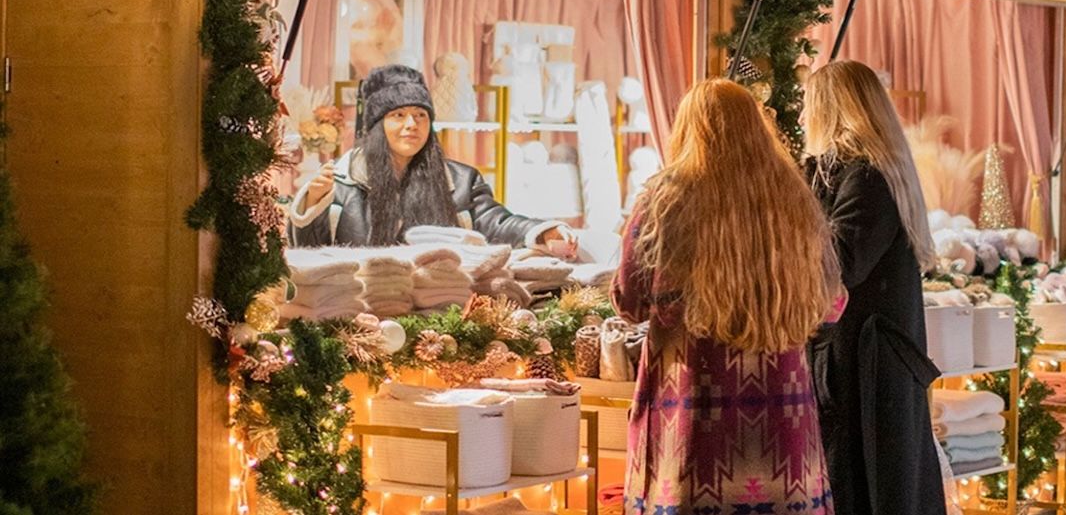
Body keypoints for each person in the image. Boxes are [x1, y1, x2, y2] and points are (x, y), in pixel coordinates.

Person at [613, 78, 844, 515]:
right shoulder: (793, 198)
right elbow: (832, 303)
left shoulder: (663, 199)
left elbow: (631, 301)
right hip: (782, 423)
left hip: (691, 415)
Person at [801, 60, 945, 515]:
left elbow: (841, 262)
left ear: (830, 110)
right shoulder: (877, 172)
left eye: (808, 106)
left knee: (867, 489)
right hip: (874, 361)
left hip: (865, 367)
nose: (802, 117)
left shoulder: (865, 176)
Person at [289, 64, 576, 250]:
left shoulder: (462, 181)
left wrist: (543, 231)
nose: (411, 124)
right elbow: (309, 253)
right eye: (398, 115)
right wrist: (313, 204)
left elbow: (497, 223)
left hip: (441, 306)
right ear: (377, 126)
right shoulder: (342, 181)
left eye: (420, 115)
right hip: (361, 307)